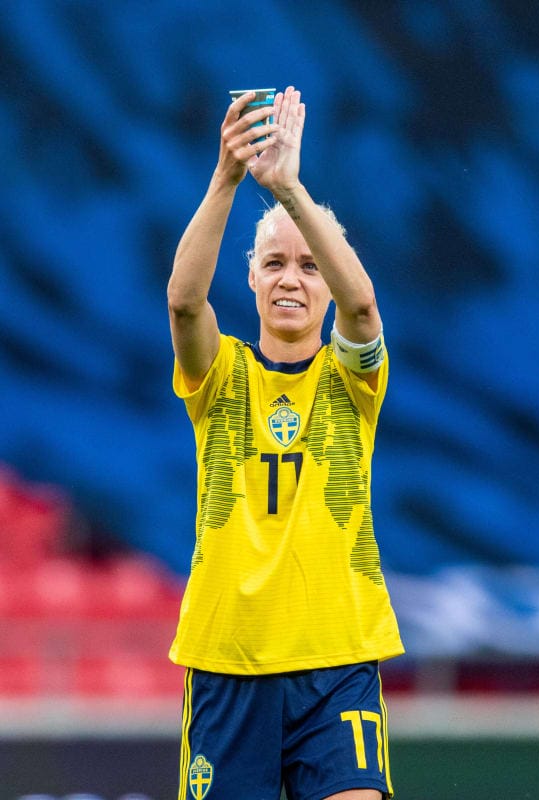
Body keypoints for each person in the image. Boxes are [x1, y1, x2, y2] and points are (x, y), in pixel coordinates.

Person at [167, 85, 404, 800]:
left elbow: (363, 306)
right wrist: (228, 176)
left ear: (325, 286)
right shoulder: (221, 374)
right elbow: (183, 299)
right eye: (273, 264)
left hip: (337, 660)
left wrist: (290, 190)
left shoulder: (352, 380)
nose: (291, 280)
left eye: (308, 267)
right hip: (227, 661)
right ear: (250, 279)